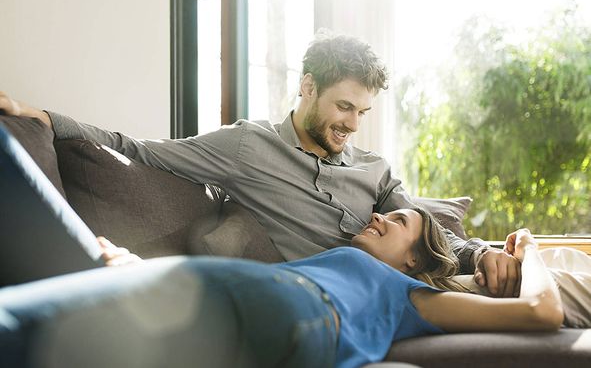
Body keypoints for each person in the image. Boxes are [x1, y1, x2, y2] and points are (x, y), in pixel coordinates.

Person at [0, 31, 521, 297]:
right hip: (332, 296)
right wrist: (42, 116)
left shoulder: (375, 170)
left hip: (418, 286)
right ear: (308, 87)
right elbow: (137, 147)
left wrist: (481, 255)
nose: (353, 125)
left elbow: (427, 232)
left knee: (540, 274)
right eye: (344, 107)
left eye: (363, 112)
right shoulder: (247, 148)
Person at [0, 207, 562, 368]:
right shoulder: (332, 260)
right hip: (238, 299)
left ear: (414, 259)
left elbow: (543, 311)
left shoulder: (409, 296)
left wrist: (528, 248)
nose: (382, 218)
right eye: (385, 213)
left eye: (400, 223)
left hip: (279, 308)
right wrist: (142, 265)